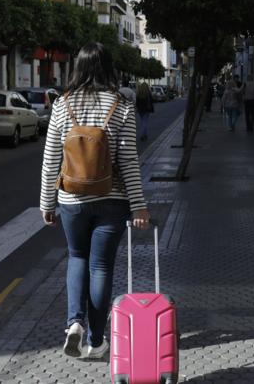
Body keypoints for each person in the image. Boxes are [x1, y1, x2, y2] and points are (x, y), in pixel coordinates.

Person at [40, 43, 151, 361]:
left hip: (71, 199)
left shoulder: (62, 104)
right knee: (101, 266)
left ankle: (74, 322)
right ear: (108, 68)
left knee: (77, 257)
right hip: (111, 199)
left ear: (79, 67)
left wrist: (47, 202)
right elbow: (128, 161)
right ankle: (96, 340)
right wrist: (138, 205)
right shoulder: (122, 105)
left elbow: (51, 158)